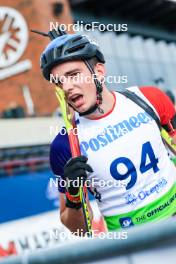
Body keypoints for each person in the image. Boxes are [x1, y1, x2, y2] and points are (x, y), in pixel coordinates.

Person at [40, 30, 176, 234]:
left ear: (99, 72)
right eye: (59, 82)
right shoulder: (64, 144)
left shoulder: (149, 98)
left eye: (73, 75)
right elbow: (80, 229)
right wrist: (74, 195)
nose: (67, 87)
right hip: (134, 242)